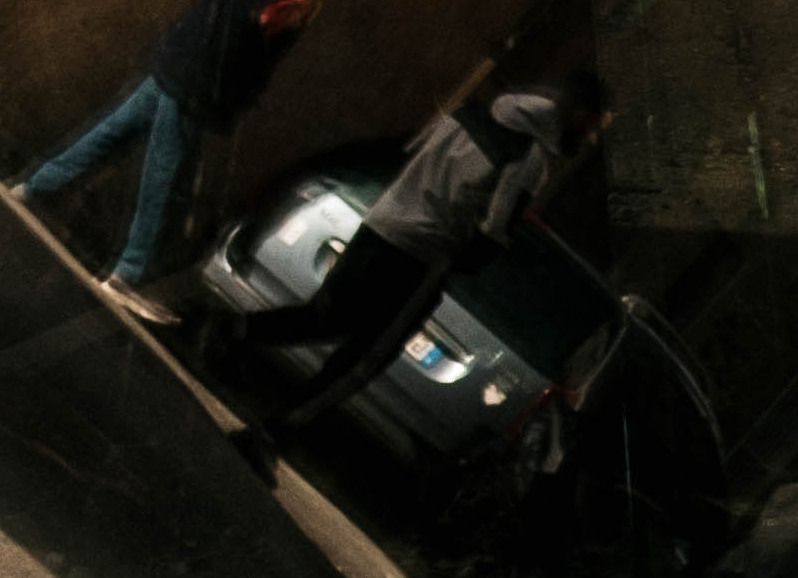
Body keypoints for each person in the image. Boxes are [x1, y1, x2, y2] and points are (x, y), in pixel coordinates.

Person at [14, 0, 380, 294]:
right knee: (166, 177)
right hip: (197, 80)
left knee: (112, 133)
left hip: (181, 56)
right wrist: (283, 18)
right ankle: (129, 273)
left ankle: (34, 189)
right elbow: (249, 12)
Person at [244, 66, 611, 438]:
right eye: (593, 127)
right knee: (366, 357)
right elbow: (492, 231)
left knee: (326, 316)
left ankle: (233, 329)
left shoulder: (471, 111)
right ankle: (279, 428)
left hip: (381, 224)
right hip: (420, 256)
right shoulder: (528, 159)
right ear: (579, 114)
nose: (591, 138)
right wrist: (464, 259)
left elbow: (410, 150)